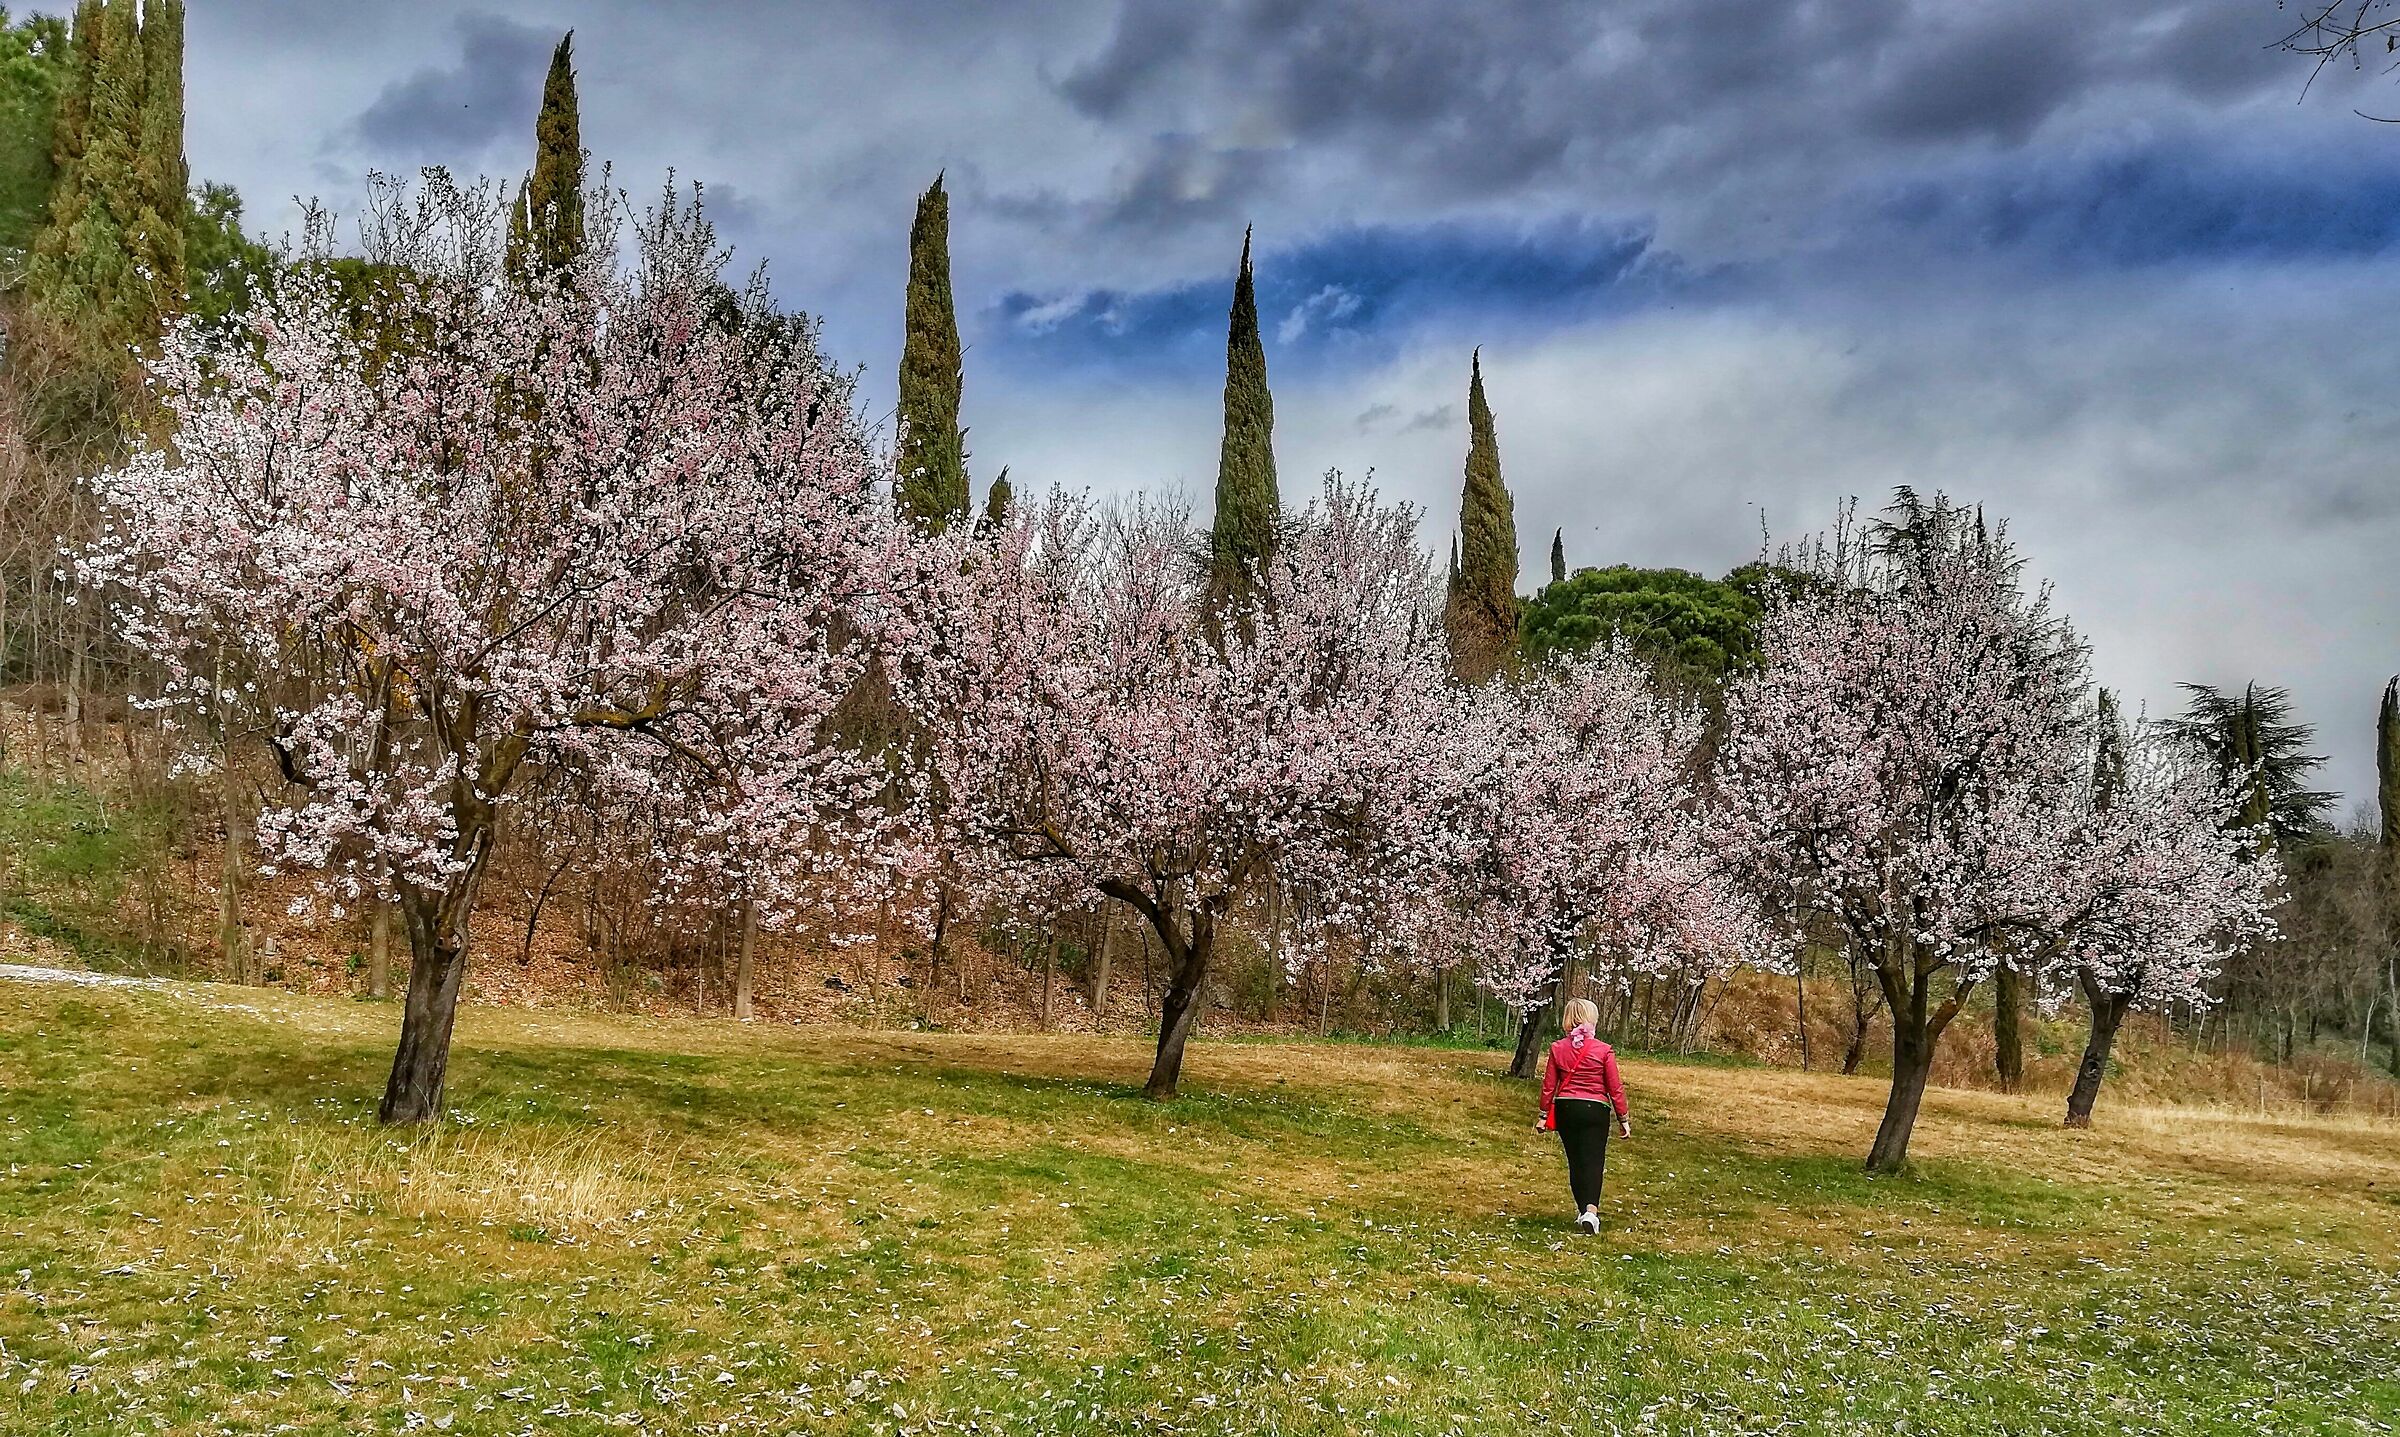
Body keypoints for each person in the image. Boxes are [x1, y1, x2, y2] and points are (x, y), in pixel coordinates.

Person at [1534, 997, 1631, 1234]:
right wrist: (1623, 1118)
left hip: (1567, 1108)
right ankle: (1591, 1211)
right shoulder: (1604, 1050)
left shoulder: (1557, 1048)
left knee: (1576, 1161)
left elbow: (1549, 1085)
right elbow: (1615, 1087)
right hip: (1595, 1108)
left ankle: (1582, 1211)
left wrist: (1543, 1114)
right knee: (1594, 1161)